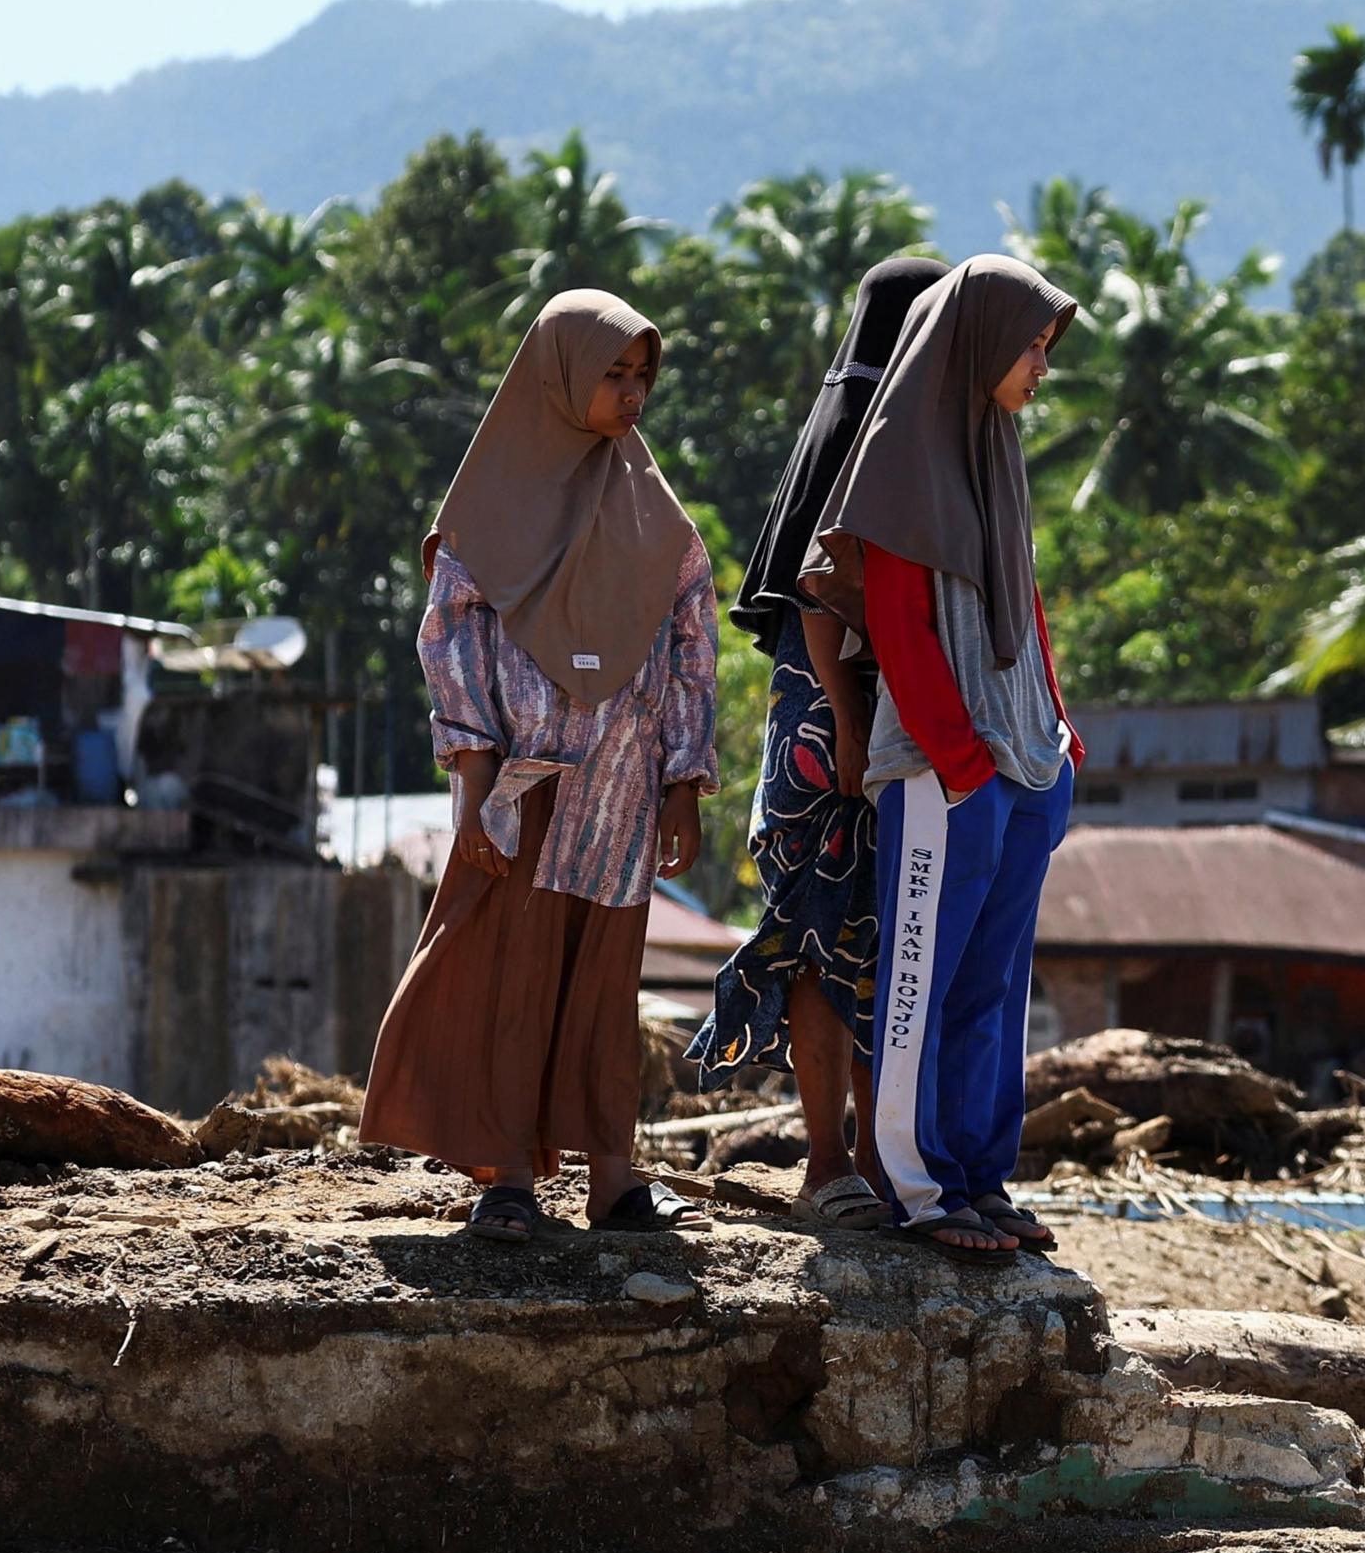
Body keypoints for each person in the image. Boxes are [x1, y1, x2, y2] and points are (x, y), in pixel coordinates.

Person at [360, 290, 719, 1243]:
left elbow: (692, 640)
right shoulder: (487, 510)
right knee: (508, 978)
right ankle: (507, 1176)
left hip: (622, 796)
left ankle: (613, 1178)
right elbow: (452, 646)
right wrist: (472, 787)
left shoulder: (656, 512)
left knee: (606, 985)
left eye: (643, 375)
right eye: (613, 371)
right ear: (558, 375)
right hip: (527, 788)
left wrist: (684, 780)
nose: (633, 391)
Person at [789, 255, 1084, 1264]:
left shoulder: (994, 445)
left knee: (995, 984)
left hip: (1023, 756)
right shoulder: (908, 453)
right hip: (942, 762)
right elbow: (901, 627)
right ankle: (916, 1185)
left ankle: (977, 1173)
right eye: (1032, 345)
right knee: (921, 976)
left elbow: (1025, 599)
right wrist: (958, 759)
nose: (1041, 366)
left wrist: (1054, 725)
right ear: (979, 339)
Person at [686, 257, 945, 1229]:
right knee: (831, 941)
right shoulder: (872, 436)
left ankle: (865, 1166)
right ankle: (834, 1165)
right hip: (837, 733)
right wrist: (846, 723)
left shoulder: (859, 424)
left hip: (845, 726)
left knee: (851, 941)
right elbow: (821, 596)